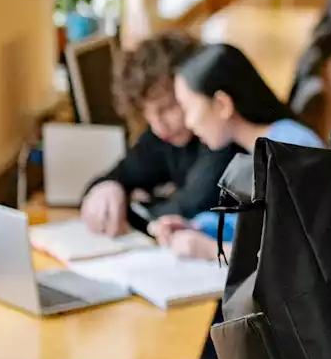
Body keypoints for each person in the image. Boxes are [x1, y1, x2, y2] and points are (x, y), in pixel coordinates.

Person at [149, 42, 323, 259]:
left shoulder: (292, 147)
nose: (189, 123)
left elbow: (296, 257)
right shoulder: (254, 152)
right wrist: (194, 227)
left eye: (188, 108)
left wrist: (211, 251)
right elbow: (246, 225)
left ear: (222, 105)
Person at [78, 31, 239, 237]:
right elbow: (119, 174)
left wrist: (131, 208)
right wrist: (109, 188)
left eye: (168, 107)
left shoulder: (220, 136)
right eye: (148, 113)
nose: (158, 126)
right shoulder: (164, 136)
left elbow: (189, 207)